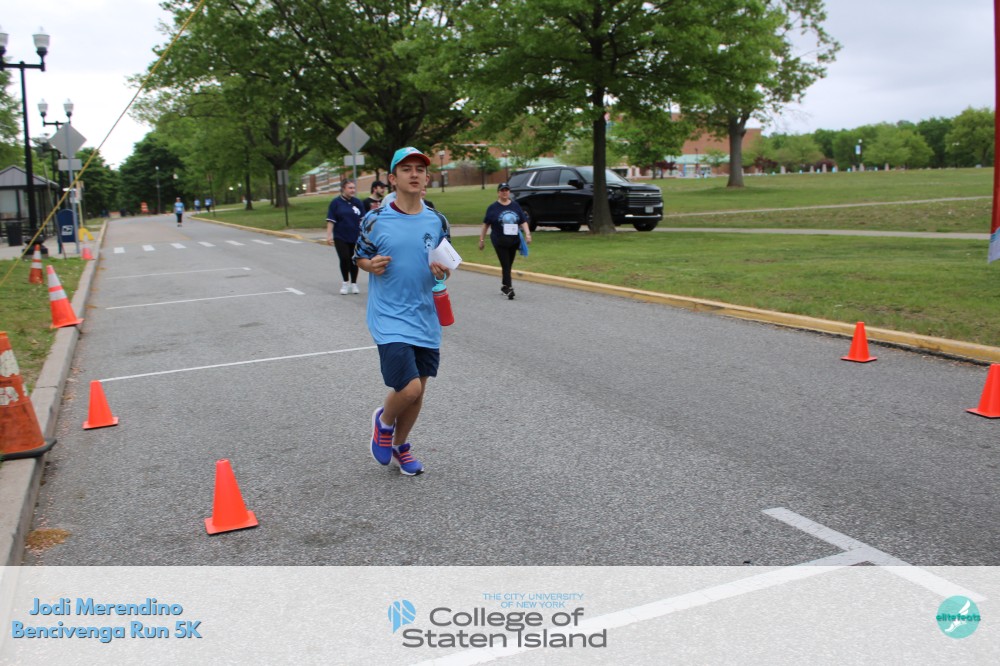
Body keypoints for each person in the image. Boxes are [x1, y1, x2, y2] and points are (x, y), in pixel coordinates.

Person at [354, 147, 452, 476]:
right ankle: (383, 423)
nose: (414, 174)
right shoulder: (375, 219)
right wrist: (370, 265)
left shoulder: (437, 221)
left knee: (418, 391)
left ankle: (400, 446)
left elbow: (444, 265)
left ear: (427, 178)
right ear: (393, 179)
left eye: (419, 170)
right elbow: (359, 256)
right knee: (408, 388)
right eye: (406, 169)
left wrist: (442, 272)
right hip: (389, 316)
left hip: (425, 316)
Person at [478, 182, 531, 299]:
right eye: (502, 190)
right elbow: (486, 224)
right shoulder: (493, 208)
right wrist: (481, 239)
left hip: (513, 240)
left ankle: (504, 285)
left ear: (509, 192)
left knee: (508, 264)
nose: (504, 192)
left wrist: (527, 234)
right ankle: (509, 288)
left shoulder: (515, 206)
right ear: (498, 193)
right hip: (499, 240)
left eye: (506, 190)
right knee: (505, 264)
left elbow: (523, 221)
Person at [326, 179, 365, 294]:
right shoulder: (336, 203)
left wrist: (364, 234)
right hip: (340, 236)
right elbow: (331, 220)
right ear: (343, 188)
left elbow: (363, 220)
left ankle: (354, 283)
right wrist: (329, 235)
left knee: (354, 259)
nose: (353, 190)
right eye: (350, 188)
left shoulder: (358, 202)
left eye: (354, 188)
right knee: (344, 258)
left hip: (355, 236)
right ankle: (345, 283)